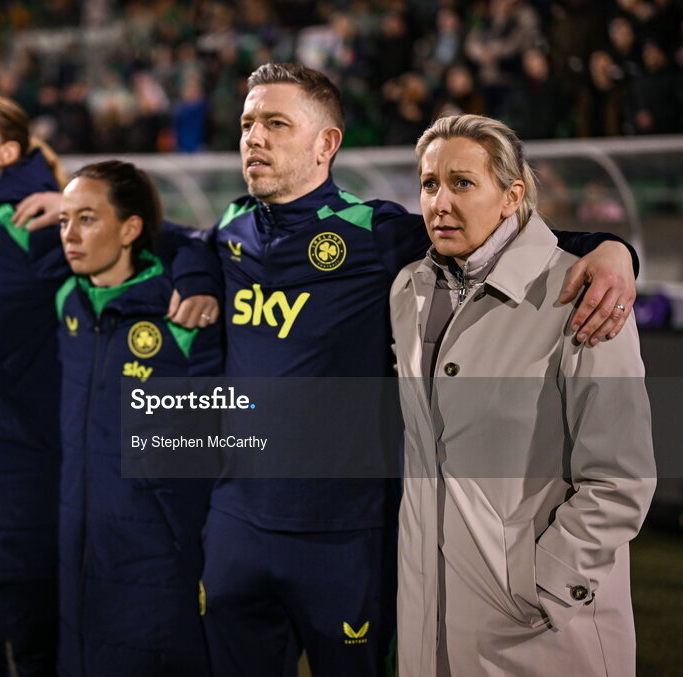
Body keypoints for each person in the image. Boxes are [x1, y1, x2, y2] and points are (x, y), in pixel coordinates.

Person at [200, 62, 639, 677]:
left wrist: (614, 249)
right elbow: (176, 247)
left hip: (348, 538)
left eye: (275, 122)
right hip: (238, 525)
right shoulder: (227, 229)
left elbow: (507, 235)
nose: (254, 137)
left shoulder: (377, 237)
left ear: (327, 144)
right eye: (248, 123)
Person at [0, 88, 220, 676]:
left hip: (77, 514)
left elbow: (183, 240)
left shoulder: (167, 307)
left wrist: (197, 274)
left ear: (8, 151)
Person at [390, 113, 655, 676]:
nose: (440, 201)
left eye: (463, 183)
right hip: (427, 621)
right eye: (429, 183)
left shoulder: (582, 293)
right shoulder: (406, 289)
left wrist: (548, 586)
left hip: (540, 629)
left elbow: (621, 477)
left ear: (512, 196)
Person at [55, 161, 222, 676]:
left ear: (130, 229)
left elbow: (222, 436)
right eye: (64, 221)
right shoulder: (67, 301)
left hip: (157, 552)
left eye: (87, 218)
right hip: (79, 545)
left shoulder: (185, 313)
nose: (69, 235)